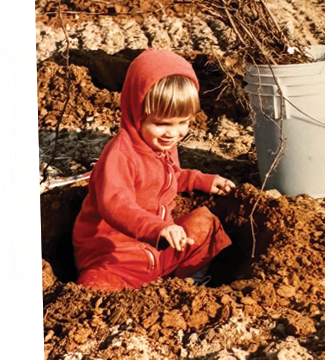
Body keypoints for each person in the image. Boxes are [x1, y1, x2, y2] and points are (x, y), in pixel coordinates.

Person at [73, 49, 235, 290]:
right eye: (161, 124)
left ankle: (186, 285)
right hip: (116, 257)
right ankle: (134, 290)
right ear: (136, 113)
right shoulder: (120, 155)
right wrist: (158, 228)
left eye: (183, 122)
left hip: (158, 251)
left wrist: (201, 180)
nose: (173, 133)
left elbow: (168, 178)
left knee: (206, 223)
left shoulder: (164, 145)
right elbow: (116, 204)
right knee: (94, 283)